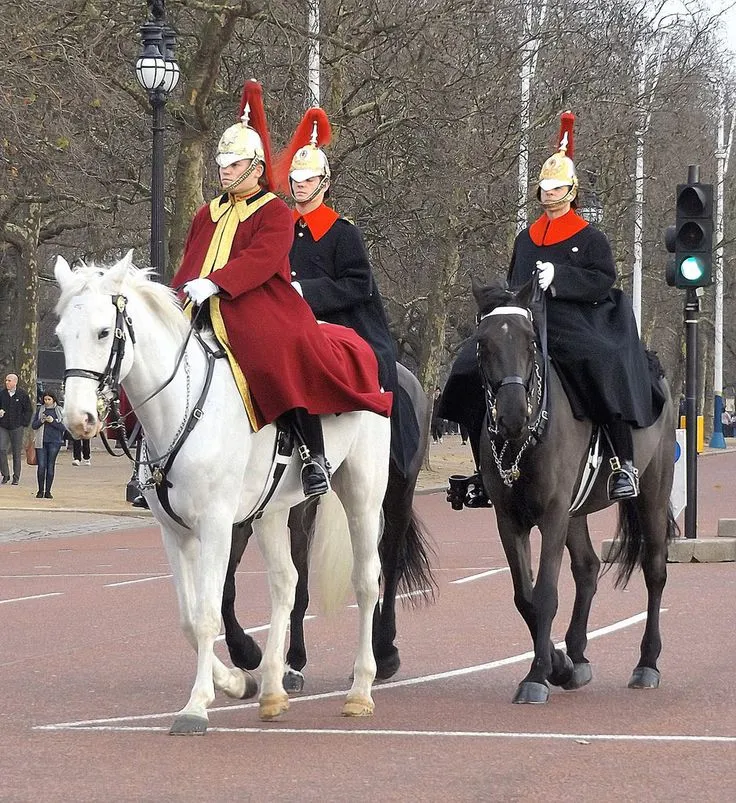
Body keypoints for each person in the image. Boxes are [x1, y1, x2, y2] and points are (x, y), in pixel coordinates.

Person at [170, 81, 392, 498]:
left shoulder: (278, 213)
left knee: (280, 353)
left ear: (255, 169)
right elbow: (190, 260)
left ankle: (312, 453)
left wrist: (220, 282)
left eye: (234, 165)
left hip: (259, 302)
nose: (224, 170)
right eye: (222, 163)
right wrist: (178, 294)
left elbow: (264, 261)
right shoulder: (207, 213)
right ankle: (147, 453)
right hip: (205, 304)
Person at [441, 112, 664, 504]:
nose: (549, 193)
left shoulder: (590, 237)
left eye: (557, 187)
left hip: (576, 318)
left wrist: (558, 278)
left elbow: (602, 278)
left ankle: (622, 462)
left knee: (603, 359)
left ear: (571, 190)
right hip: (530, 319)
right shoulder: (525, 239)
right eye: (545, 187)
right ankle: (486, 466)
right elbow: (515, 284)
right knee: (469, 364)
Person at [274, 106, 418, 477]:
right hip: (287, 321)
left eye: (308, 179)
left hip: (342, 321)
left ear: (324, 182)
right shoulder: (280, 230)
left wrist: (306, 291)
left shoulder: (343, 232)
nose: (300, 185)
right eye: (296, 178)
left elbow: (358, 285)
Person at [0, 373, 33, 485]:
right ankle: (5, 474)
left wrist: (23, 423)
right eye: (6, 380)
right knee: (1, 449)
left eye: (9, 380)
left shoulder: (22, 394)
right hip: (3, 425)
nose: (7, 382)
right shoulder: (2, 394)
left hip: (17, 426)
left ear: (15, 382)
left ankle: (16, 477)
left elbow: (28, 410)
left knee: (16, 452)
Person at [31, 390, 65, 498]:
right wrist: (41, 421)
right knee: (41, 466)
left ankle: (48, 491)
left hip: (54, 441)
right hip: (41, 442)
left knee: (50, 465)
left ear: (53, 399)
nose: (47, 402)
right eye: (45, 399)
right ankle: (40, 490)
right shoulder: (40, 410)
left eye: (49, 399)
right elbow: (34, 425)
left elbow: (63, 427)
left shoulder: (59, 410)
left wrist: (53, 422)